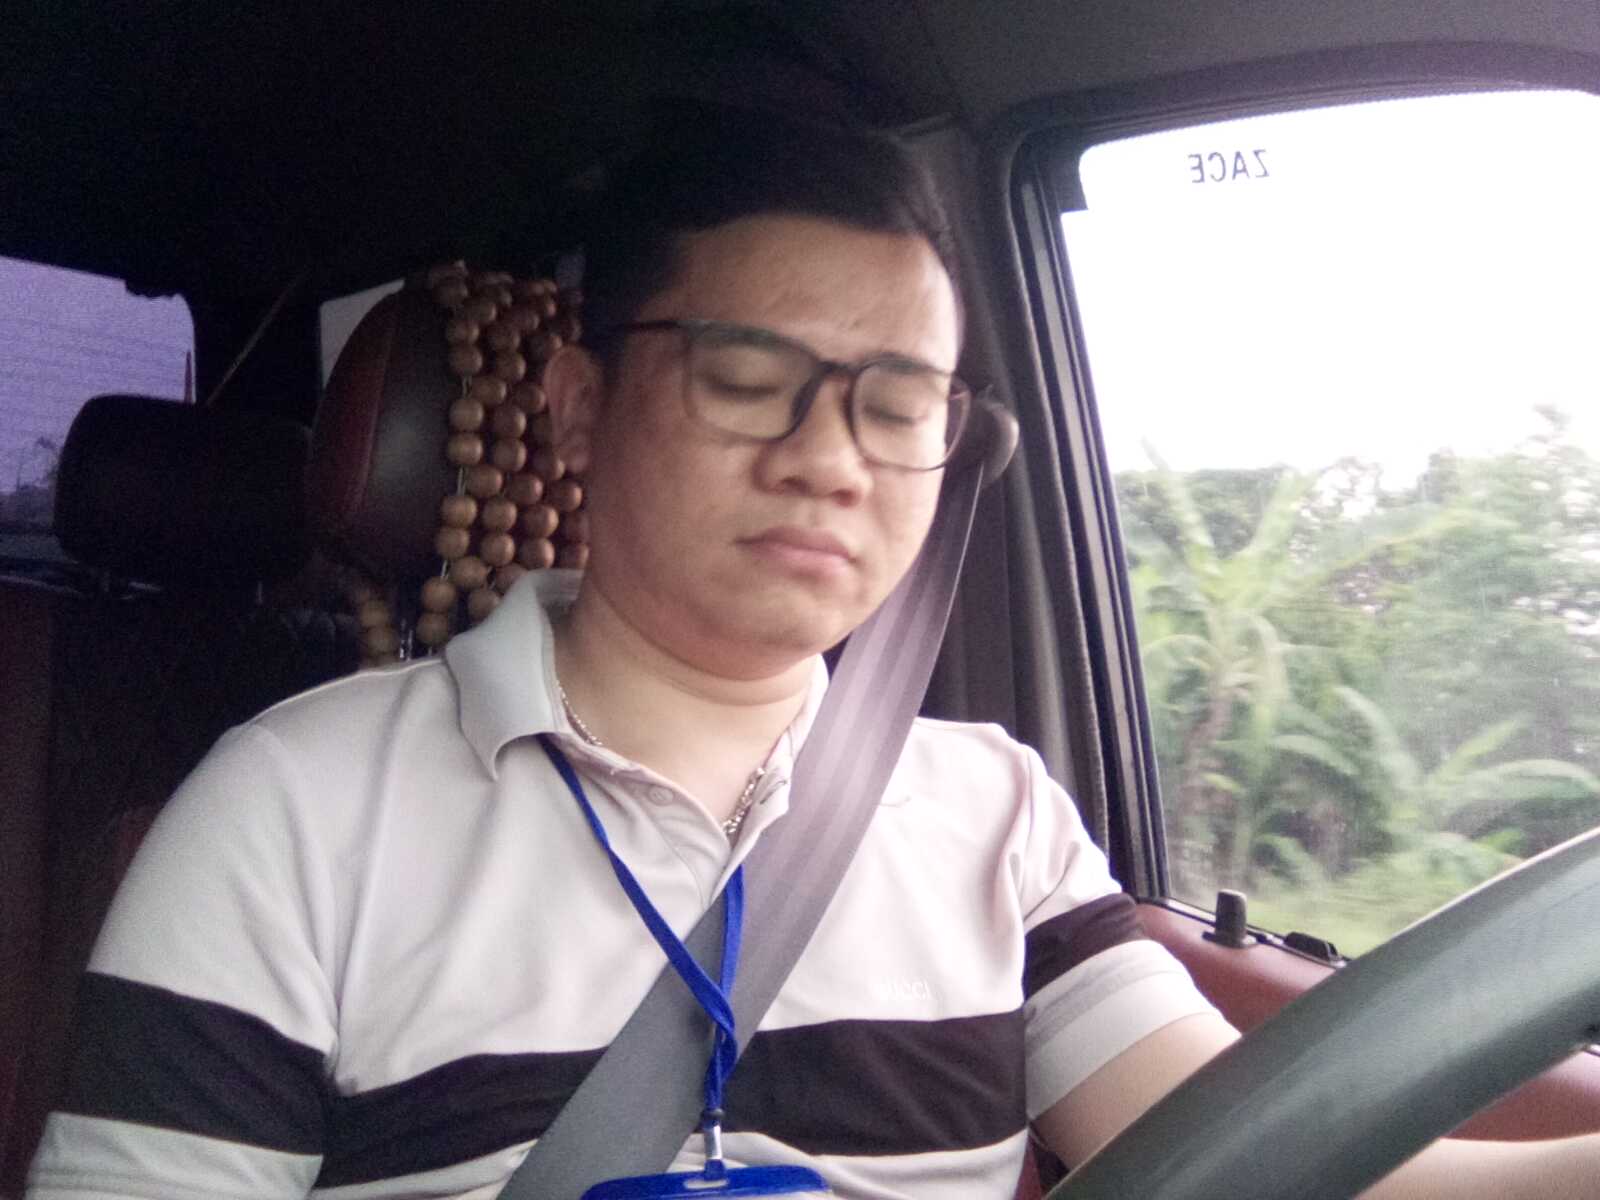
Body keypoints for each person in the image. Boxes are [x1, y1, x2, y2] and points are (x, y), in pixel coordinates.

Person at [25, 109, 1599, 1200]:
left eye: (898, 403)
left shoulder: (999, 817)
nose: (830, 457)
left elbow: (1275, 1160)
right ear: (577, 407)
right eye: (745, 375)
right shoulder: (292, 813)